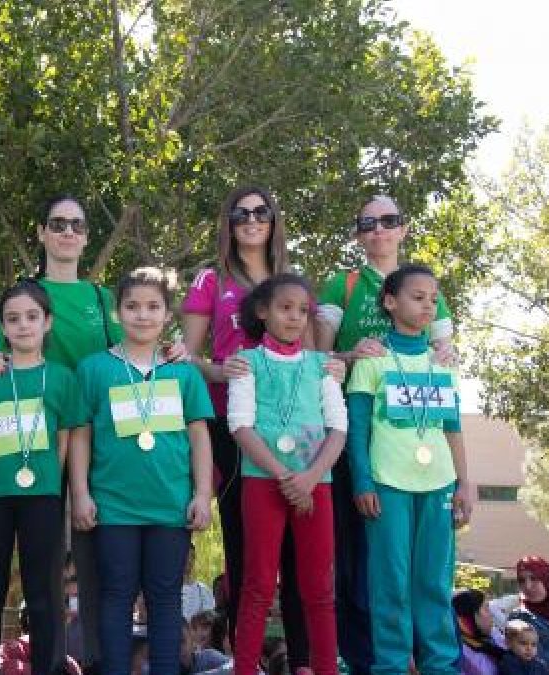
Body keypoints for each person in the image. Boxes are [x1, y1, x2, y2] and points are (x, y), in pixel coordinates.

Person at [181, 185, 339, 669]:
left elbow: (314, 357)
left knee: (305, 567)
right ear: (227, 222)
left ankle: (302, 658)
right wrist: (219, 370)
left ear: (274, 219)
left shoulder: (294, 283)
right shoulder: (210, 279)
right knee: (249, 555)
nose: (251, 219)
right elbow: (188, 359)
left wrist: (343, 362)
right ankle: (241, 657)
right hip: (237, 433)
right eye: (240, 212)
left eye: (261, 211)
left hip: (304, 445)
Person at [315, 195, 457, 675]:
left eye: (390, 220)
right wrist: (354, 357)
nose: (380, 229)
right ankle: (375, 662)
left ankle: (437, 663)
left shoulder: (429, 287)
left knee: (431, 577)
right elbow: (320, 357)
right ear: (359, 232)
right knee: (371, 570)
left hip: (432, 474)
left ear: (403, 228)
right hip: (361, 452)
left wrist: (465, 479)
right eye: (369, 222)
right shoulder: (342, 283)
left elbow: (445, 358)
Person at [69, 267, 214, 675]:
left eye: (153, 307)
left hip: (171, 505)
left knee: (165, 599)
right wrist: (80, 493)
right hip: (113, 506)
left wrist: (202, 494)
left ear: (167, 315)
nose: (142, 315)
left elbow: (199, 436)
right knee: (116, 595)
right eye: (132, 306)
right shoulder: (94, 369)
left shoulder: (182, 371)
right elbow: (80, 435)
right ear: (118, 313)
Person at [345, 264, 473, 674]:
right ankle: (392, 667)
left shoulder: (443, 363)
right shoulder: (373, 359)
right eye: (417, 297)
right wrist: (363, 481)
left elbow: (453, 427)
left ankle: (441, 667)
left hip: (438, 485)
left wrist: (464, 484)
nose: (427, 306)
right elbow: (358, 427)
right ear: (390, 302)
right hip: (387, 485)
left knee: (435, 585)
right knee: (391, 586)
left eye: (433, 300)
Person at [0, 280, 86, 675]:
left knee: (43, 594)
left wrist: (50, 481)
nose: (23, 325)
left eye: (32, 317)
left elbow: (66, 437)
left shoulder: (62, 378)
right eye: (13, 319)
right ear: (3, 327)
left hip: (42, 496)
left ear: (47, 322)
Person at [226, 273, 347, 675]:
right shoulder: (246, 364)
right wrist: (285, 476)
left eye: (302, 310)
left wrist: (310, 477)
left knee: (319, 589)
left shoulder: (322, 366)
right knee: (258, 585)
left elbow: (338, 428)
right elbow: (240, 426)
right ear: (263, 312)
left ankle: (325, 668)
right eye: (284, 308)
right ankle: (244, 667)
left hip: (317, 485)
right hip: (263, 483)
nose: (294, 317)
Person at [455, 589, 505, 675]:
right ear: (471, 616)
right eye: (486, 608)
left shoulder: (492, 634)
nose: (491, 614)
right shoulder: (460, 653)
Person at [181, 544, 216, 621]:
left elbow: (210, 621)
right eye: (185, 555)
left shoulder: (204, 590)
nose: (189, 560)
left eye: (192, 556)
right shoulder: (166, 590)